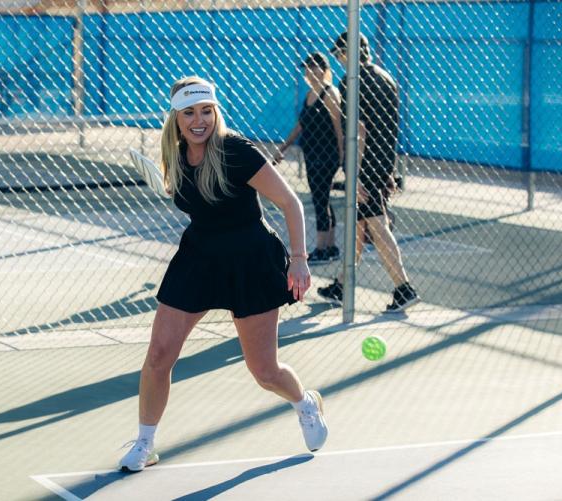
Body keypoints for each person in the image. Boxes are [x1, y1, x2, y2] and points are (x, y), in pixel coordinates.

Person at [118, 76, 328, 472]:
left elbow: (289, 202)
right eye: (189, 113)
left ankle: (305, 403)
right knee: (159, 355)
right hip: (199, 257)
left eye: (206, 111)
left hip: (251, 258)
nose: (199, 120)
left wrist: (299, 258)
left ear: (216, 111)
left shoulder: (236, 151)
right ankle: (145, 443)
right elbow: (193, 197)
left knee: (264, 371)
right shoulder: (176, 154)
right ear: (176, 117)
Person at [317, 32, 420, 313]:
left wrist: (355, 176)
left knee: (376, 225)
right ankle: (340, 285)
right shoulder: (386, 78)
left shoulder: (352, 82)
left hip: (365, 168)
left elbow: (359, 132)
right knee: (359, 229)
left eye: (339, 54)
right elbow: (390, 129)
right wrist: (389, 170)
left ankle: (403, 288)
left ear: (348, 53)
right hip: (381, 164)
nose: (338, 60)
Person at [275, 52, 344, 265]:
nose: (309, 71)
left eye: (313, 67)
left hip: (327, 156)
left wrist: (342, 160)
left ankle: (322, 248)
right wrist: (282, 148)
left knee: (319, 200)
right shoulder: (309, 95)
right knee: (322, 199)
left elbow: (339, 128)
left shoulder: (330, 93)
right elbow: (300, 125)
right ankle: (331, 246)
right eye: (307, 67)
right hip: (312, 155)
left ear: (323, 70)